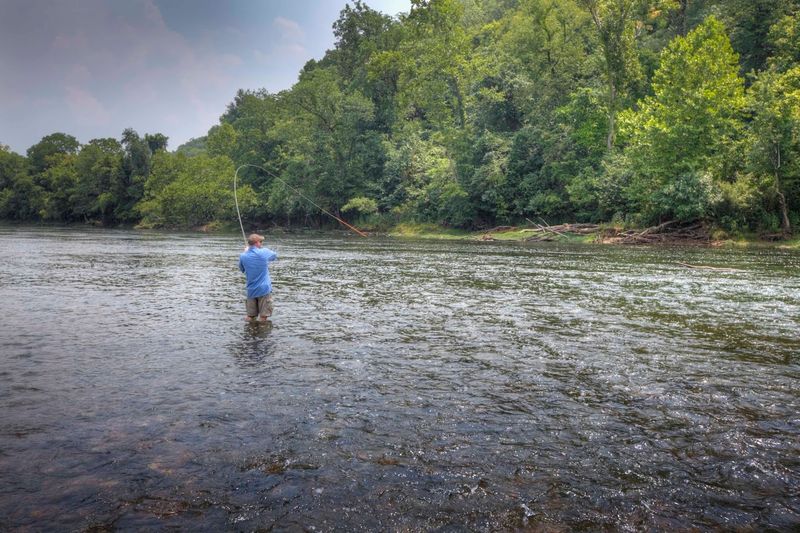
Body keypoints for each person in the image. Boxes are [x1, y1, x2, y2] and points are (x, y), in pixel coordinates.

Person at [239, 233, 278, 322]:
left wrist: (246, 252)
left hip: (251, 290)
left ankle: (250, 333)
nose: (261, 243)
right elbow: (274, 256)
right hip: (264, 290)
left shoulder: (243, 255)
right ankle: (261, 335)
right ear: (256, 243)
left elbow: (242, 269)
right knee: (263, 317)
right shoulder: (263, 252)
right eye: (260, 241)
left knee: (250, 317)